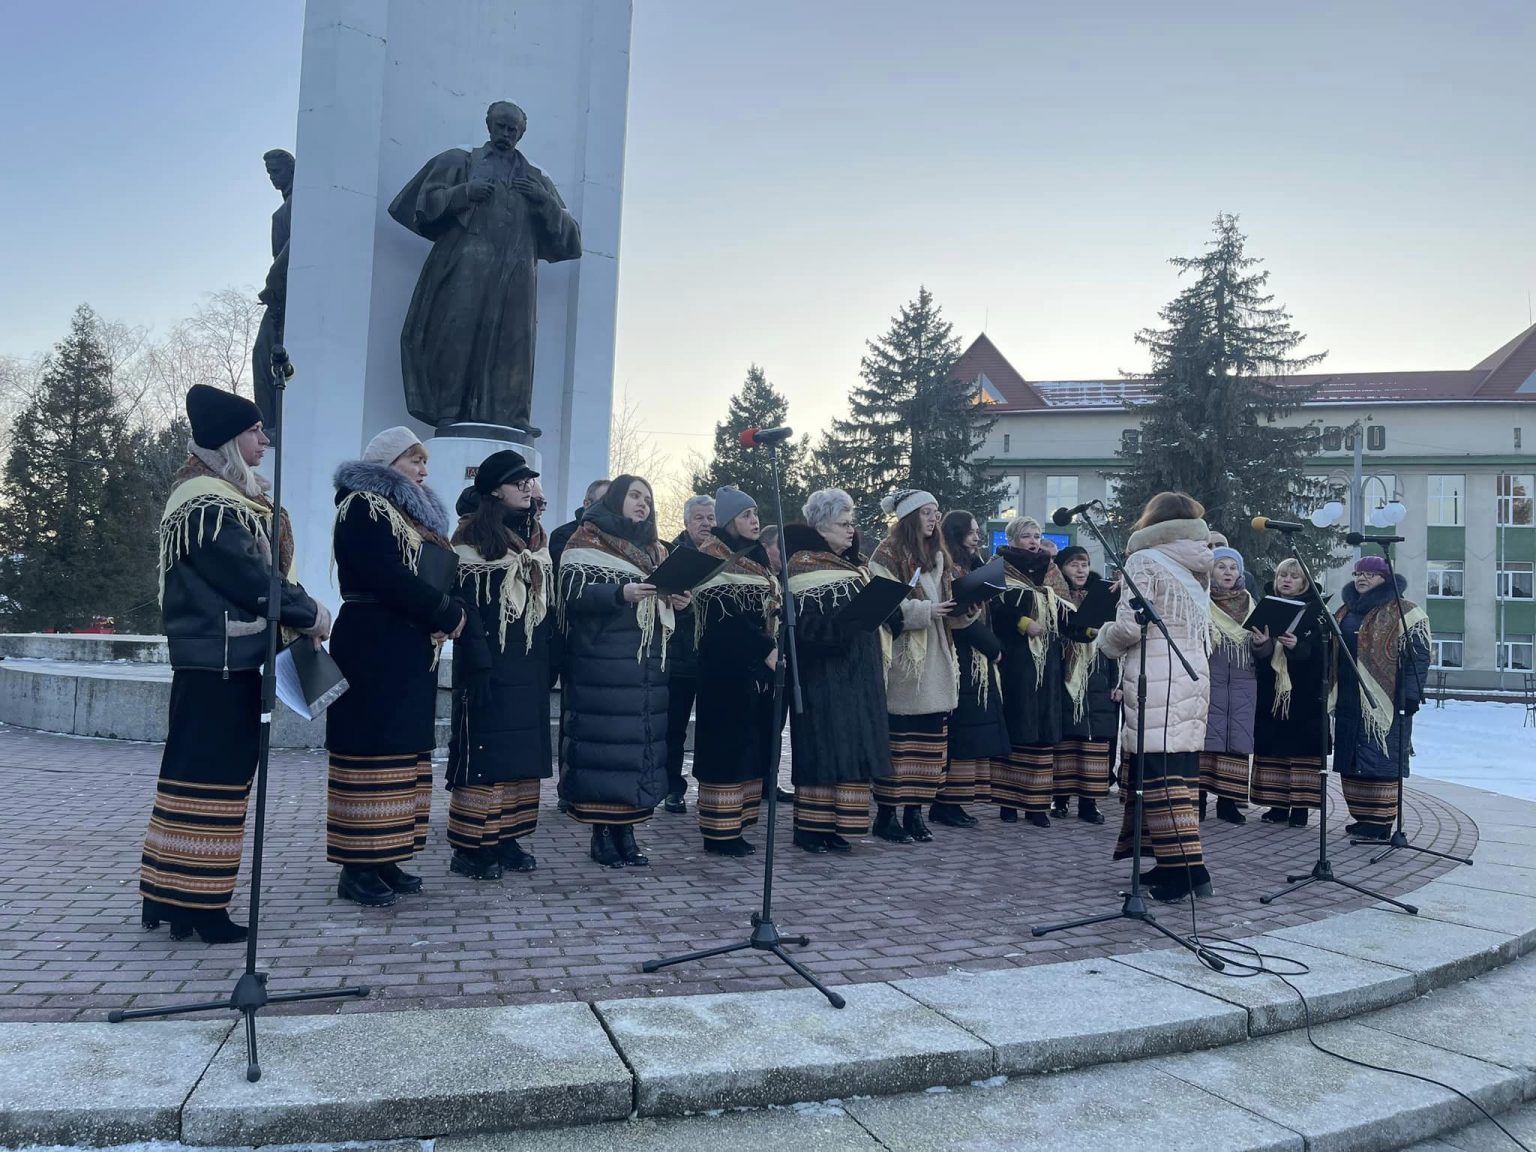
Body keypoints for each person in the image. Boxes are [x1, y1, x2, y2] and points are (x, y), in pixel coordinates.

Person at [140, 385, 330, 943]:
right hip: (220, 665)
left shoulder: (219, 497)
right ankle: (200, 906)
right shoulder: (208, 502)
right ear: (228, 439)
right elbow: (250, 580)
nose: (265, 440)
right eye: (254, 431)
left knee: (190, 778)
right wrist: (311, 613)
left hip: (219, 663)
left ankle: (168, 895)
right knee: (214, 783)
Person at [326, 427, 466, 907]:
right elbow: (385, 575)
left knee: (402, 750)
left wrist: (444, 611)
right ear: (387, 464)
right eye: (414, 460)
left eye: (424, 462)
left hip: (406, 644)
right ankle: (356, 866)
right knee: (371, 749)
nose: (423, 470)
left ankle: (386, 854)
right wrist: (444, 611)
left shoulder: (411, 516)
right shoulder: (363, 506)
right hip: (372, 642)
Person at [1096, 491, 1214, 902]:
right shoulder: (1198, 561)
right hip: (1191, 672)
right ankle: (1171, 864)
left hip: (1158, 676)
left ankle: (1187, 873)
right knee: (1179, 771)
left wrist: (1103, 639)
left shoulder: (1144, 559)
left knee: (1160, 776)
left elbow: (1131, 627)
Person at [446, 450, 554, 880]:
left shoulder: (535, 538)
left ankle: (508, 835)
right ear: (494, 490)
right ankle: (471, 845)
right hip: (488, 662)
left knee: (520, 754)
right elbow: (465, 605)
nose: (528, 488)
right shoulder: (471, 538)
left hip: (528, 663)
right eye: (518, 481)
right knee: (484, 753)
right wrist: (477, 661)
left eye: (530, 481)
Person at [557, 475, 676, 866]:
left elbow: (665, 600)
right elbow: (571, 594)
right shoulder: (586, 539)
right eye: (634, 496)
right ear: (616, 500)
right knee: (606, 750)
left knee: (637, 750)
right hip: (602, 664)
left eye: (648, 499)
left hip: (646, 666)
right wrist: (618, 593)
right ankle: (602, 834)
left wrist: (679, 599)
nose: (643, 504)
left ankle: (628, 832)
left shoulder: (655, 550)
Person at [783, 489, 883, 853]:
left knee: (848, 748)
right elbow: (802, 628)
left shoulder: (852, 566)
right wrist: (844, 628)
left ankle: (838, 826)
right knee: (822, 750)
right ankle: (811, 828)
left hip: (855, 675)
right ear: (821, 527)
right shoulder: (803, 566)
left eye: (852, 522)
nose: (851, 530)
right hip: (821, 676)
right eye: (843, 524)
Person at [689, 487, 779, 856]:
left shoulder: (754, 558)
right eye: (745, 515)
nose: (754, 521)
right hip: (724, 673)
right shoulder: (711, 557)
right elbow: (726, 619)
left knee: (749, 749)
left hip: (754, 673)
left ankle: (738, 826)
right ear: (728, 522)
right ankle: (719, 833)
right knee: (725, 752)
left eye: (755, 513)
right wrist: (765, 648)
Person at [870, 489, 959, 844]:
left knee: (928, 744)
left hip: (937, 656)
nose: (934, 518)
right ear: (909, 518)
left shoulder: (939, 557)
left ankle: (915, 812)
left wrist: (965, 609)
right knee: (901, 743)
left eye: (936, 511)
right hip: (905, 659)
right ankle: (886, 815)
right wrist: (925, 611)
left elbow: (948, 604)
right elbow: (882, 606)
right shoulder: (886, 555)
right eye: (926, 512)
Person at [1332, 555, 1432, 840]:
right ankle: (1363, 817)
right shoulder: (1345, 611)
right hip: (1349, 696)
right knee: (1353, 759)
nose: (1362, 578)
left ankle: (1382, 821)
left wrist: (1410, 695)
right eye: (1358, 573)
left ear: (1385, 578)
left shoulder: (1405, 611)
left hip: (1387, 700)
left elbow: (1419, 656)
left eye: (1370, 574)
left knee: (1381, 758)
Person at [990, 516, 1069, 828]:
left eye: (1037, 535)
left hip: (1047, 658)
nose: (1034, 541)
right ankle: (1008, 803)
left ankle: (1036, 805)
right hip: (1015, 657)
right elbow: (991, 608)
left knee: (1041, 729)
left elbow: (1065, 607)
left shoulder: (1050, 569)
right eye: (1026, 536)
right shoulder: (997, 567)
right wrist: (1022, 622)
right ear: (1011, 539)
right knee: (1017, 724)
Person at [934, 511, 1009, 827]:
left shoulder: (973, 564)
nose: (977, 537)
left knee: (975, 731)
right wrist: (994, 648)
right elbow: (958, 620)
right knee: (962, 731)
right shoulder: (948, 566)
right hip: (962, 657)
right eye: (971, 532)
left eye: (978, 531)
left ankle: (959, 800)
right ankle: (946, 802)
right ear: (956, 533)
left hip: (978, 660)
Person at [1249, 558, 1327, 827]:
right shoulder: (1266, 605)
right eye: (1283, 575)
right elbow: (1260, 654)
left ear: (1304, 582)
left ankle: (1301, 808)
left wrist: (1297, 646)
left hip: (1304, 693)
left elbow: (1323, 653)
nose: (1287, 580)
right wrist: (1261, 644)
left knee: (1301, 751)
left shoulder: (1317, 611)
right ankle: (1277, 805)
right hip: (1272, 690)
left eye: (1294, 577)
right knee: (1275, 748)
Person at [1051, 546, 1117, 824]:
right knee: (1067, 739)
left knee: (1095, 739)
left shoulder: (1102, 596)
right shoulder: (1054, 595)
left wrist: (1115, 681)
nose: (1080, 569)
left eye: (1084, 564)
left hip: (1097, 673)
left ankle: (1090, 802)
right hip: (1066, 673)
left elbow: (1113, 643)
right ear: (1061, 568)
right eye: (1073, 564)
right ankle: (1060, 798)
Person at [662, 493, 716, 813]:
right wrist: (679, 605)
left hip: (714, 659)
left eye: (711, 518)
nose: (706, 524)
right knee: (674, 729)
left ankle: (711, 787)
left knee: (713, 728)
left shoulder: (724, 556)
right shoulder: (670, 555)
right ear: (685, 522)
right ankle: (672, 789)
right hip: (680, 658)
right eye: (699, 518)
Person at [1200, 546, 1258, 825]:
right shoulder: (1201, 600)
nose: (1228, 572)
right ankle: (1198, 800)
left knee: (1237, 742)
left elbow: (1263, 647)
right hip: (1210, 679)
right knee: (1204, 741)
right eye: (1221, 566)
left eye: (1233, 567)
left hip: (1242, 684)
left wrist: (1263, 644)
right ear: (1210, 571)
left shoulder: (1251, 603)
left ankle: (1228, 803)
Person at [550, 478, 610, 569]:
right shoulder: (562, 535)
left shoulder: (622, 537)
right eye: (605, 502)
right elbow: (565, 572)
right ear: (587, 504)